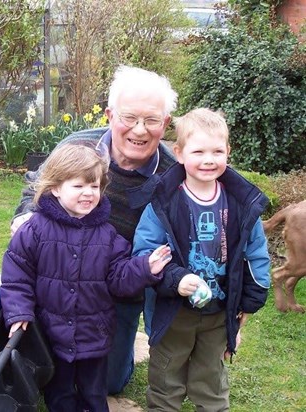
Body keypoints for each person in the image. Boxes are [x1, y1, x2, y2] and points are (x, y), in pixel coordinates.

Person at [11, 65, 178, 394]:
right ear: (110, 115)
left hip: (117, 289)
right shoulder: (77, 146)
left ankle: (123, 349)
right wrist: (24, 216)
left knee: (109, 383)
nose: (140, 130)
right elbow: (36, 188)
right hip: (56, 279)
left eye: (152, 120)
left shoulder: (172, 176)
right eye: (129, 117)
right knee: (44, 369)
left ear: (166, 124)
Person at [0, 143, 171, 411]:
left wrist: (144, 268)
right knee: (59, 393)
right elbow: (16, 275)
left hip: (95, 333)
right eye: (78, 186)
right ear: (55, 188)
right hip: (52, 331)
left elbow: (118, 278)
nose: (88, 193)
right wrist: (19, 312)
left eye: (94, 186)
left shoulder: (107, 234)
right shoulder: (34, 229)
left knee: (94, 393)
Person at [133, 108, 271, 410]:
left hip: (219, 314)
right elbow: (145, 252)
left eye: (217, 151)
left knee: (211, 381)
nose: (209, 159)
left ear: (228, 152)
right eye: (199, 151)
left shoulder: (241, 204)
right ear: (179, 153)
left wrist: (250, 301)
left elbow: (256, 253)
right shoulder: (164, 203)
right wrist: (177, 277)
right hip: (173, 314)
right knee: (166, 379)